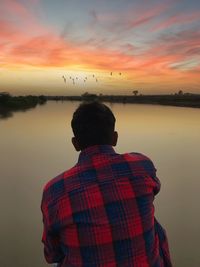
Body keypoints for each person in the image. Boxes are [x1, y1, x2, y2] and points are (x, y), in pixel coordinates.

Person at [41, 101, 172, 267]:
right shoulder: (142, 166)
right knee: (154, 225)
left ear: (75, 143)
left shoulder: (55, 191)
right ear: (115, 138)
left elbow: (52, 254)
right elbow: (154, 189)